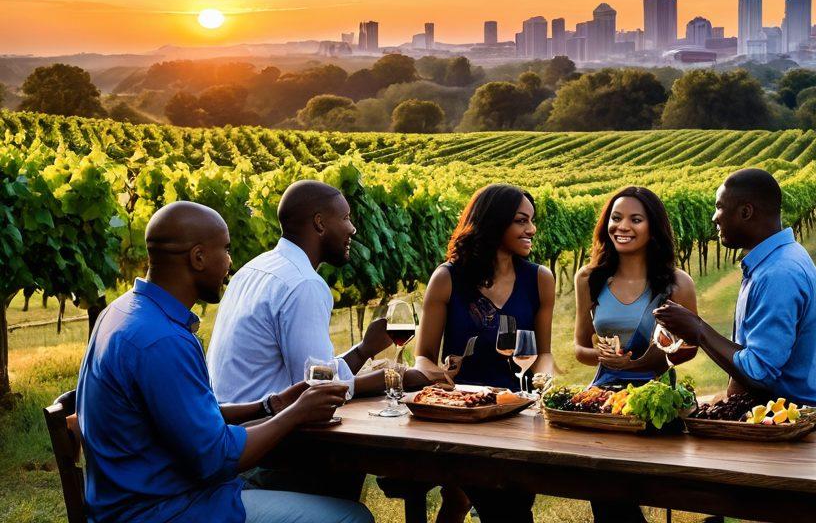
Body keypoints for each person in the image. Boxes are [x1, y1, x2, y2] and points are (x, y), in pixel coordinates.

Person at [76, 201, 372, 523]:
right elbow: (217, 457)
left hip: (133, 500)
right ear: (198, 257)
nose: (230, 263)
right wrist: (296, 414)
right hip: (167, 510)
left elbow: (186, 418)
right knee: (352, 517)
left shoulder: (124, 312)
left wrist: (270, 405)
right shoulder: (163, 341)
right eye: (226, 250)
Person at [207, 179, 440, 498]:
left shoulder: (254, 269)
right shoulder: (303, 283)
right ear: (319, 223)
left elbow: (313, 374)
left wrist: (363, 351)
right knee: (358, 466)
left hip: (232, 439)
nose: (354, 229)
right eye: (345, 218)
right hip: (266, 457)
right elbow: (320, 388)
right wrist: (399, 377)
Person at [412, 183, 556, 523]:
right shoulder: (447, 278)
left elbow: (544, 353)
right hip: (464, 415)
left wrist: (544, 377)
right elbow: (423, 356)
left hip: (518, 412)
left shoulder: (540, 279)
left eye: (532, 221)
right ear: (495, 222)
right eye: (522, 221)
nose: (531, 229)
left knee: (490, 501)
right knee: (507, 511)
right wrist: (441, 375)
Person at [654, 168, 816, 407]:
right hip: (764, 412)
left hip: (784, 421)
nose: (714, 217)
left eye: (719, 207)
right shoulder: (775, 260)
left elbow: (759, 374)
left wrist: (697, 329)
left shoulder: (778, 273)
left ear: (746, 212)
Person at [573, 186, 698, 523]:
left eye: (635, 219)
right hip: (604, 400)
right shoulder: (589, 278)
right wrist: (601, 357)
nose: (622, 226)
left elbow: (691, 346)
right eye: (616, 218)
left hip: (655, 400)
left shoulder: (676, 283)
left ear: (652, 227)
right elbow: (579, 347)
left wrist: (651, 359)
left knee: (629, 490)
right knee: (604, 492)